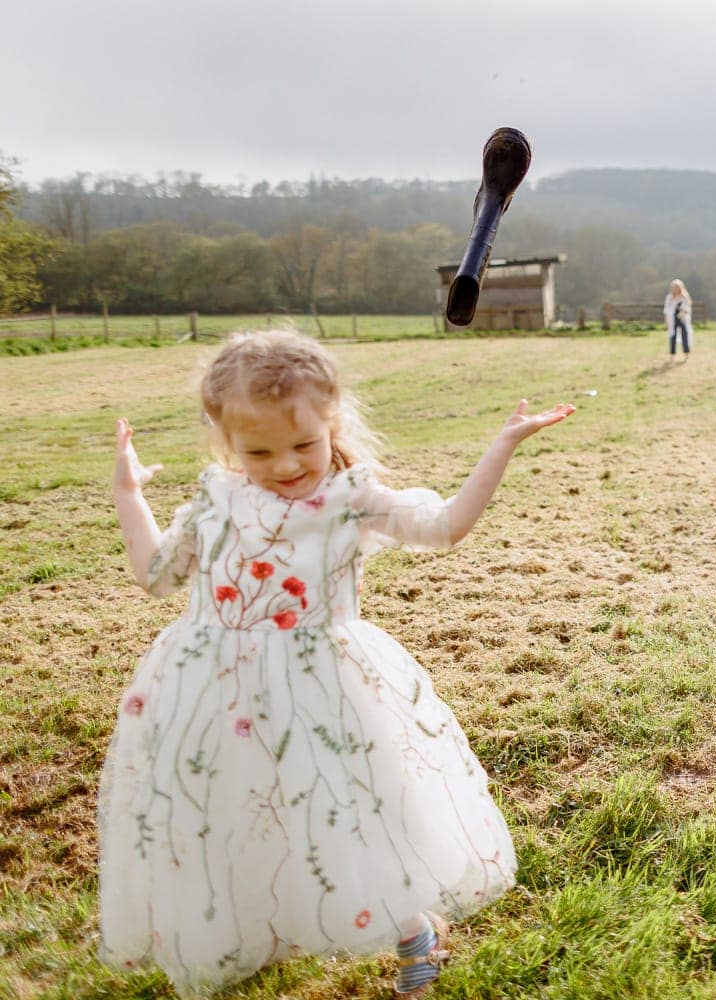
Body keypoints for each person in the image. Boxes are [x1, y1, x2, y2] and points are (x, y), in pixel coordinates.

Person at [101, 330, 574, 997]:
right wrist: (128, 493)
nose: (286, 465)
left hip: (322, 694)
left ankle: (413, 929)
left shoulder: (351, 500)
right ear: (225, 441)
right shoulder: (214, 502)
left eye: (304, 444)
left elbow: (444, 526)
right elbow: (155, 575)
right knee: (233, 811)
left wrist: (501, 446)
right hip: (212, 696)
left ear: (333, 422)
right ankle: (248, 926)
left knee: (350, 811)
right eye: (258, 450)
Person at [664, 278, 693, 357]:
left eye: (678, 287)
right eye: (674, 288)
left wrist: (683, 311)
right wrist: (666, 322)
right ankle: (672, 354)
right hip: (672, 320)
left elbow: (688, 308)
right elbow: (666, 310)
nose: (676, 289)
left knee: (685, 335)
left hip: (683, 319)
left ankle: (686, 352)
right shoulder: (669, 298)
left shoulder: (685, 297)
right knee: (672, 336)